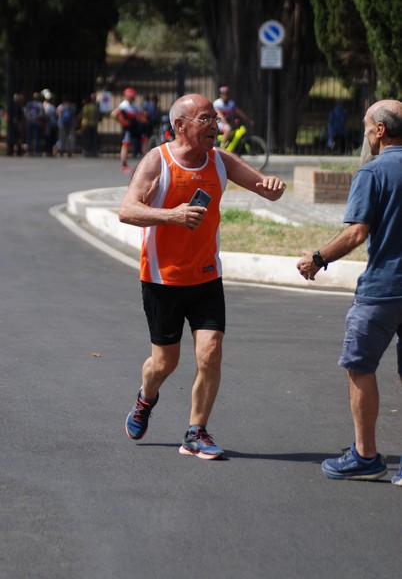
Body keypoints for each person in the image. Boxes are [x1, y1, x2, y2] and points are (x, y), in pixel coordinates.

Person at [119, 93, 286, 460]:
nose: (215, 126)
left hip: (207, 277)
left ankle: (196, 431)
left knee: (210, 353)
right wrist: (171, 215)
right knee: (164, 363)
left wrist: (272, 187)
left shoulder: (220, 161)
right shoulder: (157, 160)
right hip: (163, 280)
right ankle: (146, 398)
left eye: (215, 119)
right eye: (205, 120)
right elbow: (127, 210)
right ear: (180, 125)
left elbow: (264, 189)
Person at [297, 99, 402, 486]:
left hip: (383, 290)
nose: (362, 132)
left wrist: (317, 258)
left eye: (365, 125)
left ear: (380, 131)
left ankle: (365, 456)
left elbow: (358, 232)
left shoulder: (372, 172)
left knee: (360, 367)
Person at [111, 87, 141, 173]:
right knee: (125, 145)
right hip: (127, 129)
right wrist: (121, 122)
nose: (132, 98)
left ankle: (141, 163)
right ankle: (124, 165)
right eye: (130, 96)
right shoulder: (124, 105)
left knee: (142, 140)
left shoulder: (133, 106)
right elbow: (113, 114)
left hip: (133, 128)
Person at [24, 92, 44, 156]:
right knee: (36, 137)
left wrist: (29, 118)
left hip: (29, 121)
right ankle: (36, 151)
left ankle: (29, 151)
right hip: (36, 122)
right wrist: (36, 117)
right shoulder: (40, 104)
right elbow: (41, 114)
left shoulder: (29, 104)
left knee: (29, 137)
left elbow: (25, 113)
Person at [41, 89, 58, 156]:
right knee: (51, 138)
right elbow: (56, 115)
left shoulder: (43, 106)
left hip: (46, 124)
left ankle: (46, 150)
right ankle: (49, 151)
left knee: (47, 138)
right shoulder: (52, 107)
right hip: (52, 124)